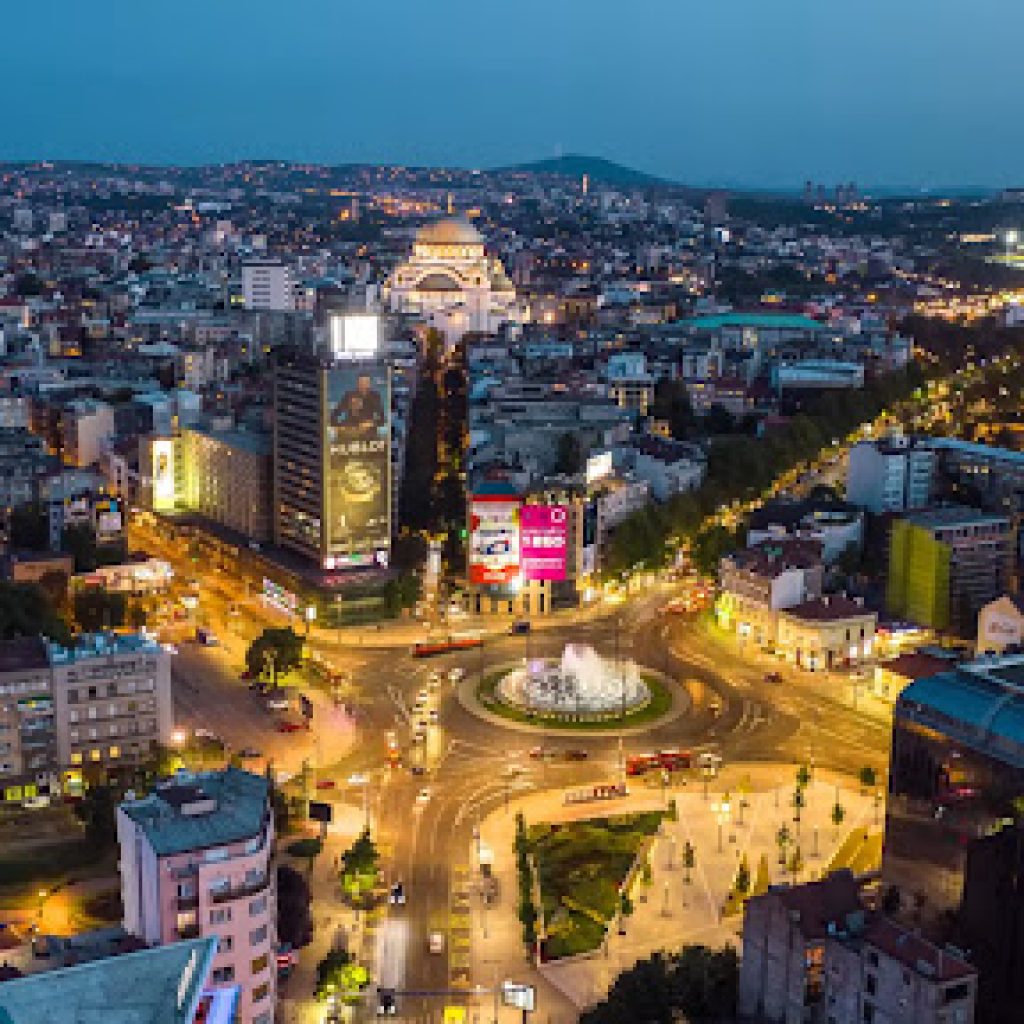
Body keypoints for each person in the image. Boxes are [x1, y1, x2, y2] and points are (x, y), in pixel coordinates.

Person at [330, 374, 385, 438]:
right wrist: (337, 427)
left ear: (370, 384)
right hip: (350, 428)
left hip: (368, 431)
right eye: (361, 382)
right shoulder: (349, 395)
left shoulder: (375, 396)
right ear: (358, 383)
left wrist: (371, 424)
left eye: (366, 382)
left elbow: (382, 419)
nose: (364, 385)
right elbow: (335, 414)